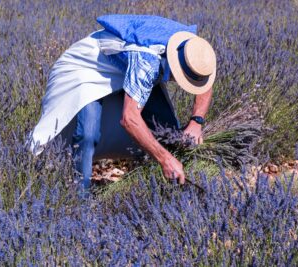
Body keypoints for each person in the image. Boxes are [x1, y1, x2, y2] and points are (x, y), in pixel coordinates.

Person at [28, 15, 216, 196]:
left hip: (124, 66)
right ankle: (81, 198)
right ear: (175, 67)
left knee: (167, 128)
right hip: (87, 68)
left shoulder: (192, 47)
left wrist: (196, 122)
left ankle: (161, 188)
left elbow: (204, 81)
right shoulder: (146, 63)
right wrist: (165, 159)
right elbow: (129, 119)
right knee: (88, 133)